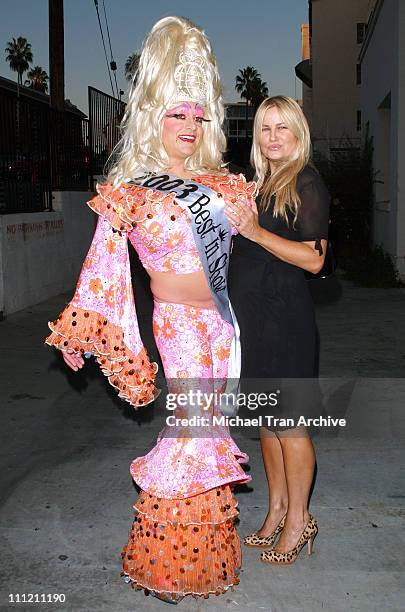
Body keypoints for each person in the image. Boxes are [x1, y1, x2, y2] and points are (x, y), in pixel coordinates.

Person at [45, 16, 255, 603]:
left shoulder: (223, 186)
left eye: (197, 114)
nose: (188, 126)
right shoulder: (133, 189)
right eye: (175, 113)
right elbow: (103, 268)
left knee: (208, 431)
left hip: (220, 324)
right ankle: (165, 564)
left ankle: (200, 558)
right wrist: (88, 326)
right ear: (152, 116)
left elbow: (256, 251)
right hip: (179, 327)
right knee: (189, 433)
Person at [226, 96, 330, 565]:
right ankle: (276, 512)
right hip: (255, 324)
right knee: (268, 428)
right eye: (265, 128)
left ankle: (299, 520)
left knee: (290, 426)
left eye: (281, 127)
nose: (271, 136)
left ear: (298, 133)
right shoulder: (260, 184)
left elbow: (314, 258)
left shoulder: (307, 182)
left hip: (286, 323)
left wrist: (255, 233)